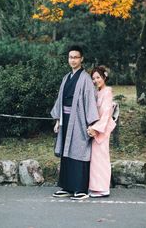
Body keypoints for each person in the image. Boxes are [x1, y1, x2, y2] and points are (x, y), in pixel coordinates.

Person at [51, 45, 99, 200]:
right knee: (66, 153)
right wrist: (58, 119)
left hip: (79, 120)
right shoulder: (66, 78)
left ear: (81, 59)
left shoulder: (85, 78)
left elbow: (90, 101)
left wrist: (91, 124)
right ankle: (67, 187)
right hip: (66, 120)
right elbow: (60, 100)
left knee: (79, 152)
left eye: (76, 57)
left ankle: (80, 189)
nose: (73, 60)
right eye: (70, 57)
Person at [87, 66, 116, 198]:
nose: (96, 80)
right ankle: (96, 187)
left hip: (102, 129)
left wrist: (95, 128)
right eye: (93, 78)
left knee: (102, 158)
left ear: (104, 77)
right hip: (96, 128)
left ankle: (103, 188)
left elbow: (106, 114)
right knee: (95, 159)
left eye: (98, 77)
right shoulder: (98, 92)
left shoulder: (107, 92)